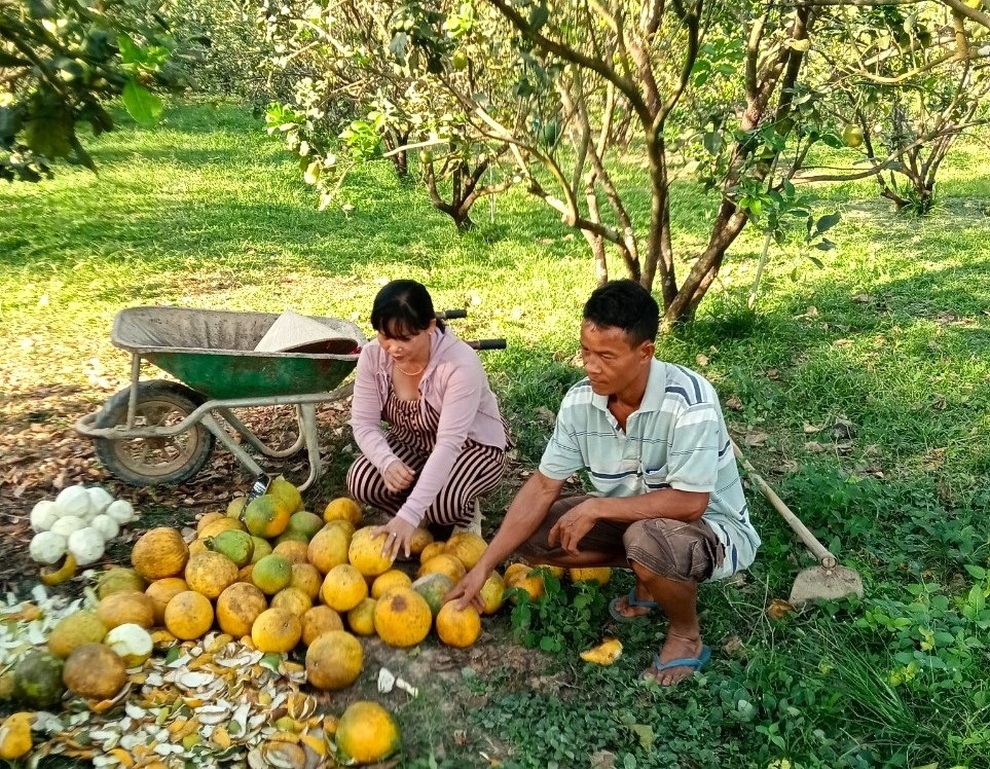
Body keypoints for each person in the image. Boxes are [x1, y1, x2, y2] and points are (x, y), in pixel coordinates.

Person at [448, 279, 760, 686]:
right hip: (637, 524)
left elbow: (690, 504)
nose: (591, 366)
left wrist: (597, 506)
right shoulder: (581, 401)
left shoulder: (690, 400)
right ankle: (648, 575)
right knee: (537, 534)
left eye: (606, 356)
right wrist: (486, 564)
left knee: (647, 540)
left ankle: (686, 634)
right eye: (586, 351)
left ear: (645, 352)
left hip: (712, 531)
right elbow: (543, 486)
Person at [347, 279, 509, 561]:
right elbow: (363, 423)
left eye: (406, 338)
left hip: (471, 446)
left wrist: (410, 513)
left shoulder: (459, 364)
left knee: (444, 504)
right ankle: (419, 506)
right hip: (413, 443)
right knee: (363, 479)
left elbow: (448, 444)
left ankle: (463, 513)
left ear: (431, 326)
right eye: (386, 336)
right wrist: (387, 462)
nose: (394, 348)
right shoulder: (374, 357)